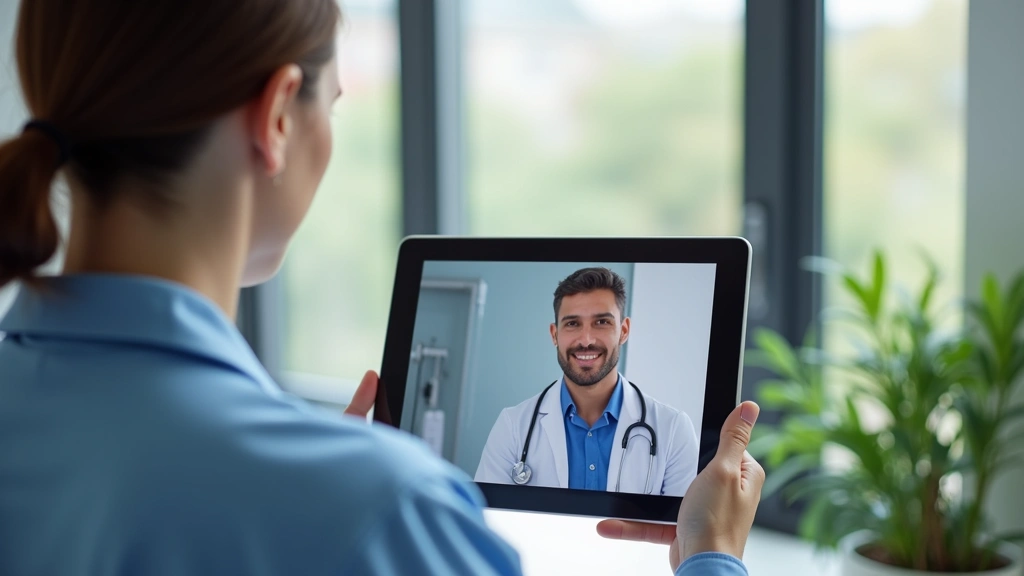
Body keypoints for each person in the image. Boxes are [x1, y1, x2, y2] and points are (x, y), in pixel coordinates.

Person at [0, 1, 764, 575]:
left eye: (602, 322)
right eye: (330, 106)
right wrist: (712, 554)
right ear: (276, 118)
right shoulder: (380, 510)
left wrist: (319, 479)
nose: (587, 337)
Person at [475, 267, 699, 496]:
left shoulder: (673, 430)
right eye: (572, 324)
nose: (586, 340)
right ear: (554, 334)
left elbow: (685, 529)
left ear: (623, 331)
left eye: (601, 322)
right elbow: (485, 522)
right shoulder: (512, 427)